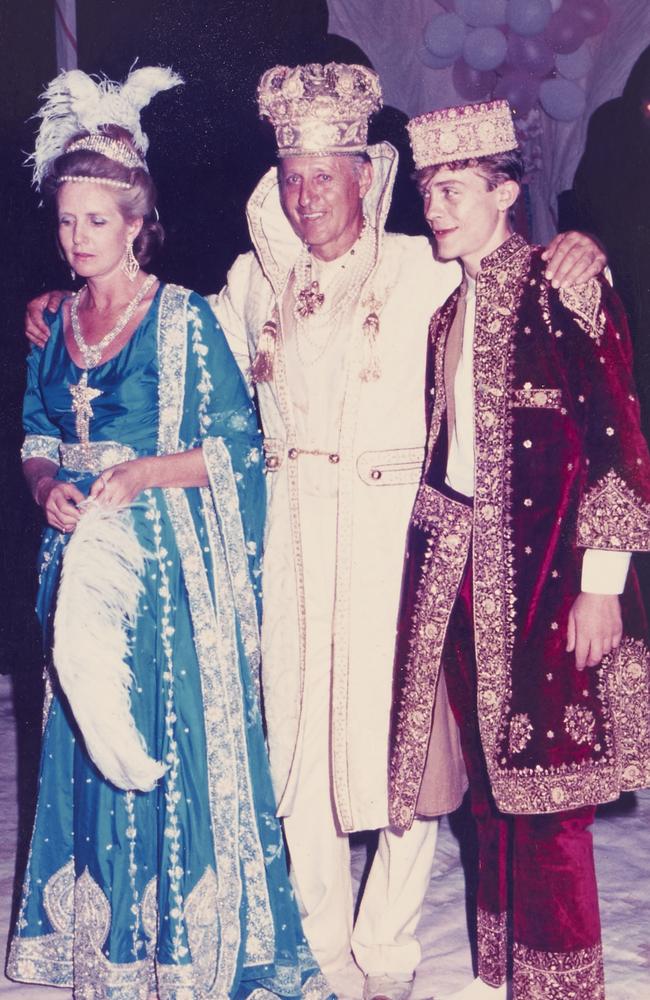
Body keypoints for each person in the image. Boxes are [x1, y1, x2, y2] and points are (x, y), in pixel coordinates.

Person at [24, 63, 608, 1000]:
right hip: (290, 533)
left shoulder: (425, 266)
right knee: (294, 744)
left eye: (324, 177)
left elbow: (512, 276)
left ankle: (386, 950)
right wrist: (60, 306)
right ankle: (328, 949)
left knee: (406, 746)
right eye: (292, 178)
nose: (306, 197)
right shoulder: (252, 281)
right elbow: (160, 335)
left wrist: (570, 243)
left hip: (396, 537)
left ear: (364, 179)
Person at [7, 67, 330, 1000]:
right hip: (73, 559)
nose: (77, 239)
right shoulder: (56, 322)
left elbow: (239, 447)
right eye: (66, 221)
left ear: (135, 220)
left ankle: (185, 946)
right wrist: (42, 488)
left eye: (96, 221)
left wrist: (145, 472)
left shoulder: (183, 318)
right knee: (81, 728)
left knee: (161, 738)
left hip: (164, 570)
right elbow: (35, 433)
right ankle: (104, 944)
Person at [389, 98, 650, 1000]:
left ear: (504, 191)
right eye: (428, 191)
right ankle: (506, 967)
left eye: (454, 189)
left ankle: (566, 982)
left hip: (549, 578)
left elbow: (616, 436)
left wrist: (602, 584)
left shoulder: (563, 283)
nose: (436, 208)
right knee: (493, 789)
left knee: (550, 791)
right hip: (463, 574)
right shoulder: (443, 318)